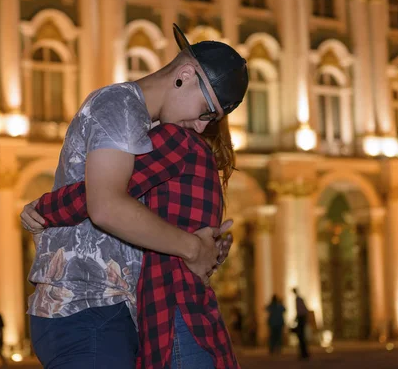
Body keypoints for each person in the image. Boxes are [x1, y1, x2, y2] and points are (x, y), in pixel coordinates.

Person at [23, 23, 248, 368]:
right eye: (206, 111)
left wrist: (207, 244)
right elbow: (106, 206)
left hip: (117, 309)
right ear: (185, 75)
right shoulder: (119, 104)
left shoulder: (151, 128)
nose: (202, 126)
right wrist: (193, 248)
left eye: (211, 119)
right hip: (83, 303)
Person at [24, 120, 240, 368]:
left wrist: (41, 209)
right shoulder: (201, 158)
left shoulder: (174, 140)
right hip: (187, 316)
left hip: (171, 315)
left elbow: (102, 195)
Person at [292, 288, 310, 360]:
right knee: (301, 336)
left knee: (301, 336)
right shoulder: (300, 299)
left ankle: (304, 353)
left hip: (301, 318)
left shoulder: (298, 299)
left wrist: (296, 318)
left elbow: (300, 310)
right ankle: (304, 353)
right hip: (302, 318)